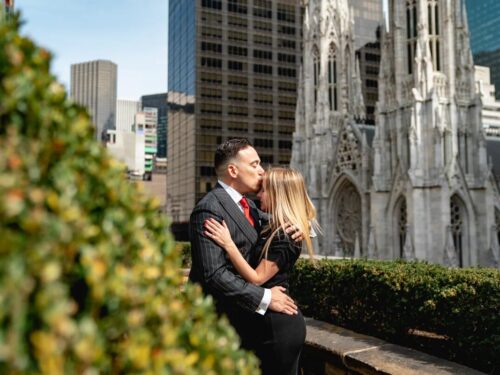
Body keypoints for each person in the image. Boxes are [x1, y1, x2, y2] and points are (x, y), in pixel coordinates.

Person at [188, 139, 300, 359]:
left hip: (249, 325)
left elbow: (283, 218)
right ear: (233, 170)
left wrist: (300, 228)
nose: (261, 171)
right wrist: (265, 297)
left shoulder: (250, 206)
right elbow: (214, 275)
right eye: (254, 164)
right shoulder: (209, 209)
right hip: (220, 327)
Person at [204, 167, 319, 375]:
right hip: (267, 322)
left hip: (279, 327)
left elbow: (256, 278)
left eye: (264, 190)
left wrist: (228, 244)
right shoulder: (275, 226)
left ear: (278, 194)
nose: (258, 194)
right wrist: (304, 224)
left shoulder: (285, 236)